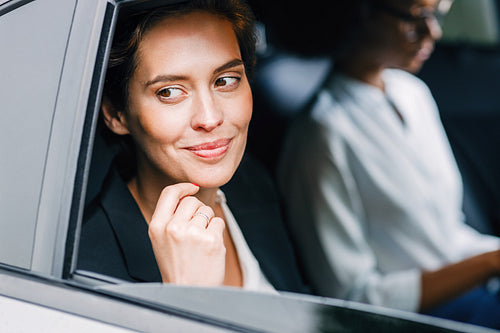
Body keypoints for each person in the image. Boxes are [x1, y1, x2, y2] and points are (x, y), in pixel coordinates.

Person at [276, 0, 500, 328]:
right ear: (358, 16)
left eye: (435, 14)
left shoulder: (412, 93)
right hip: (412, 320)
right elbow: (352, 298)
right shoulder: (322, 135)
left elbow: (447, 237)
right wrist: (486, 264)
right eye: (416, 18)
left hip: (471, 292)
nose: (432, 31)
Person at [78, 0, 306, 293]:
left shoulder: (251, 184)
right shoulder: (86, 264)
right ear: (115, 114)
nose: (210, 118)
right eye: (170, 92)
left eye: (225, 80)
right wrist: (186, 296)